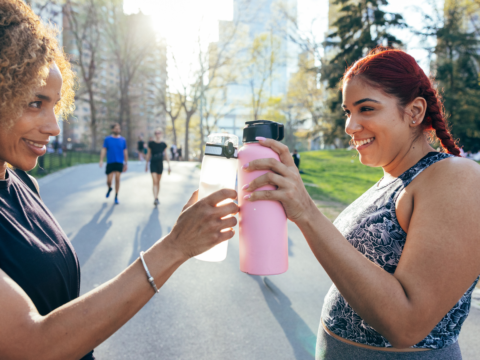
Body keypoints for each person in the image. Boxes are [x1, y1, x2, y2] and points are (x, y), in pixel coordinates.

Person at [0, 2, 238, 360]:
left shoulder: (21, 181)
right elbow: (34, 345)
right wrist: (174, 247)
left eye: (55, 105)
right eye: (35, 102)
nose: (53, 126)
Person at [242, 48, 480, 359]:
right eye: (347, 112)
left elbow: (406, 326)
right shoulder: (393, 180)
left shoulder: (458, 178)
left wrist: (307, 212)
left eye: (366, 109)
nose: (350, 126)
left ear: (415, 112)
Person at [99, 123, 127, 205]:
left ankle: (116, 196)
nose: (118, 130)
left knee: (117, 179)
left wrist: (126, 163)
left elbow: (125, 151)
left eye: (119, 128)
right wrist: (101, 160)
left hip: (119, 162)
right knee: (109, 181)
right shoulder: (107, 139)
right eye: (116, 128)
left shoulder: (123, 140)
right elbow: (104, 150)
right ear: (112, 129)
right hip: (110, 162)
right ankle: (109, 188)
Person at [145, 129, 171, 206]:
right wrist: (146, 164)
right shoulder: (151, 144)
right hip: (153, 163)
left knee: (158, 181)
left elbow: (166, 155)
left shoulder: (163, 144)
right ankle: (155, 198)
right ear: (155, 134)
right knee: (155, 180)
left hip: (160, 164)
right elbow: (148, 154)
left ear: (161, 134)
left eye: (159, 133)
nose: (157, 134)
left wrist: (169, 165)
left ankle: (157, 197)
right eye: (156, 133)